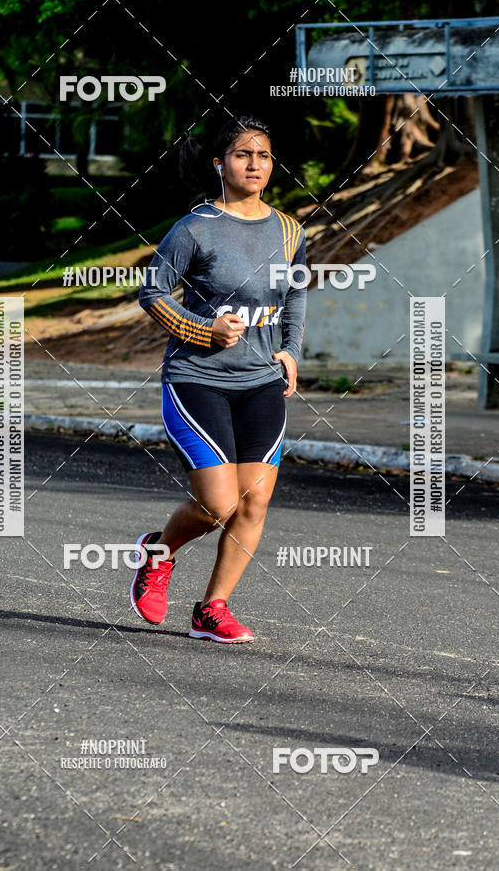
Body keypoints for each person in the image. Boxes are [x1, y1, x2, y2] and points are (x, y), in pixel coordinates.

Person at [132, 115, 307, 643]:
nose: (255, 165)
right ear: (220, 164)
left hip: (260, 381)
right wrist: (202, 328)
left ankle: (212, 609)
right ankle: (157, 553)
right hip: (197, 379)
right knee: (218, 504)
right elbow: (152, 292)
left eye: (264, 157)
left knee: (254, 502)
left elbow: (295, 292)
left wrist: (291, 350)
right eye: (243, 155)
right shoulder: (194, 228)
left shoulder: (289, 230)